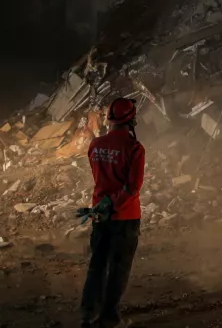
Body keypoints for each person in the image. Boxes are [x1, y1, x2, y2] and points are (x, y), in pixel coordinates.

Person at [81, 98, 145, 328]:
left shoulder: (95, 145)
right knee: (118, 268)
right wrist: (114, 203)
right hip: (125, 217)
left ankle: (88, 314)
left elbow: (100, 177)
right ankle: (108, 318)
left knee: (97, 264)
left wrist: (104, 204)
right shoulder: (135, 148)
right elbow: (132, 188)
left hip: (99, 214)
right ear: (131, 119)